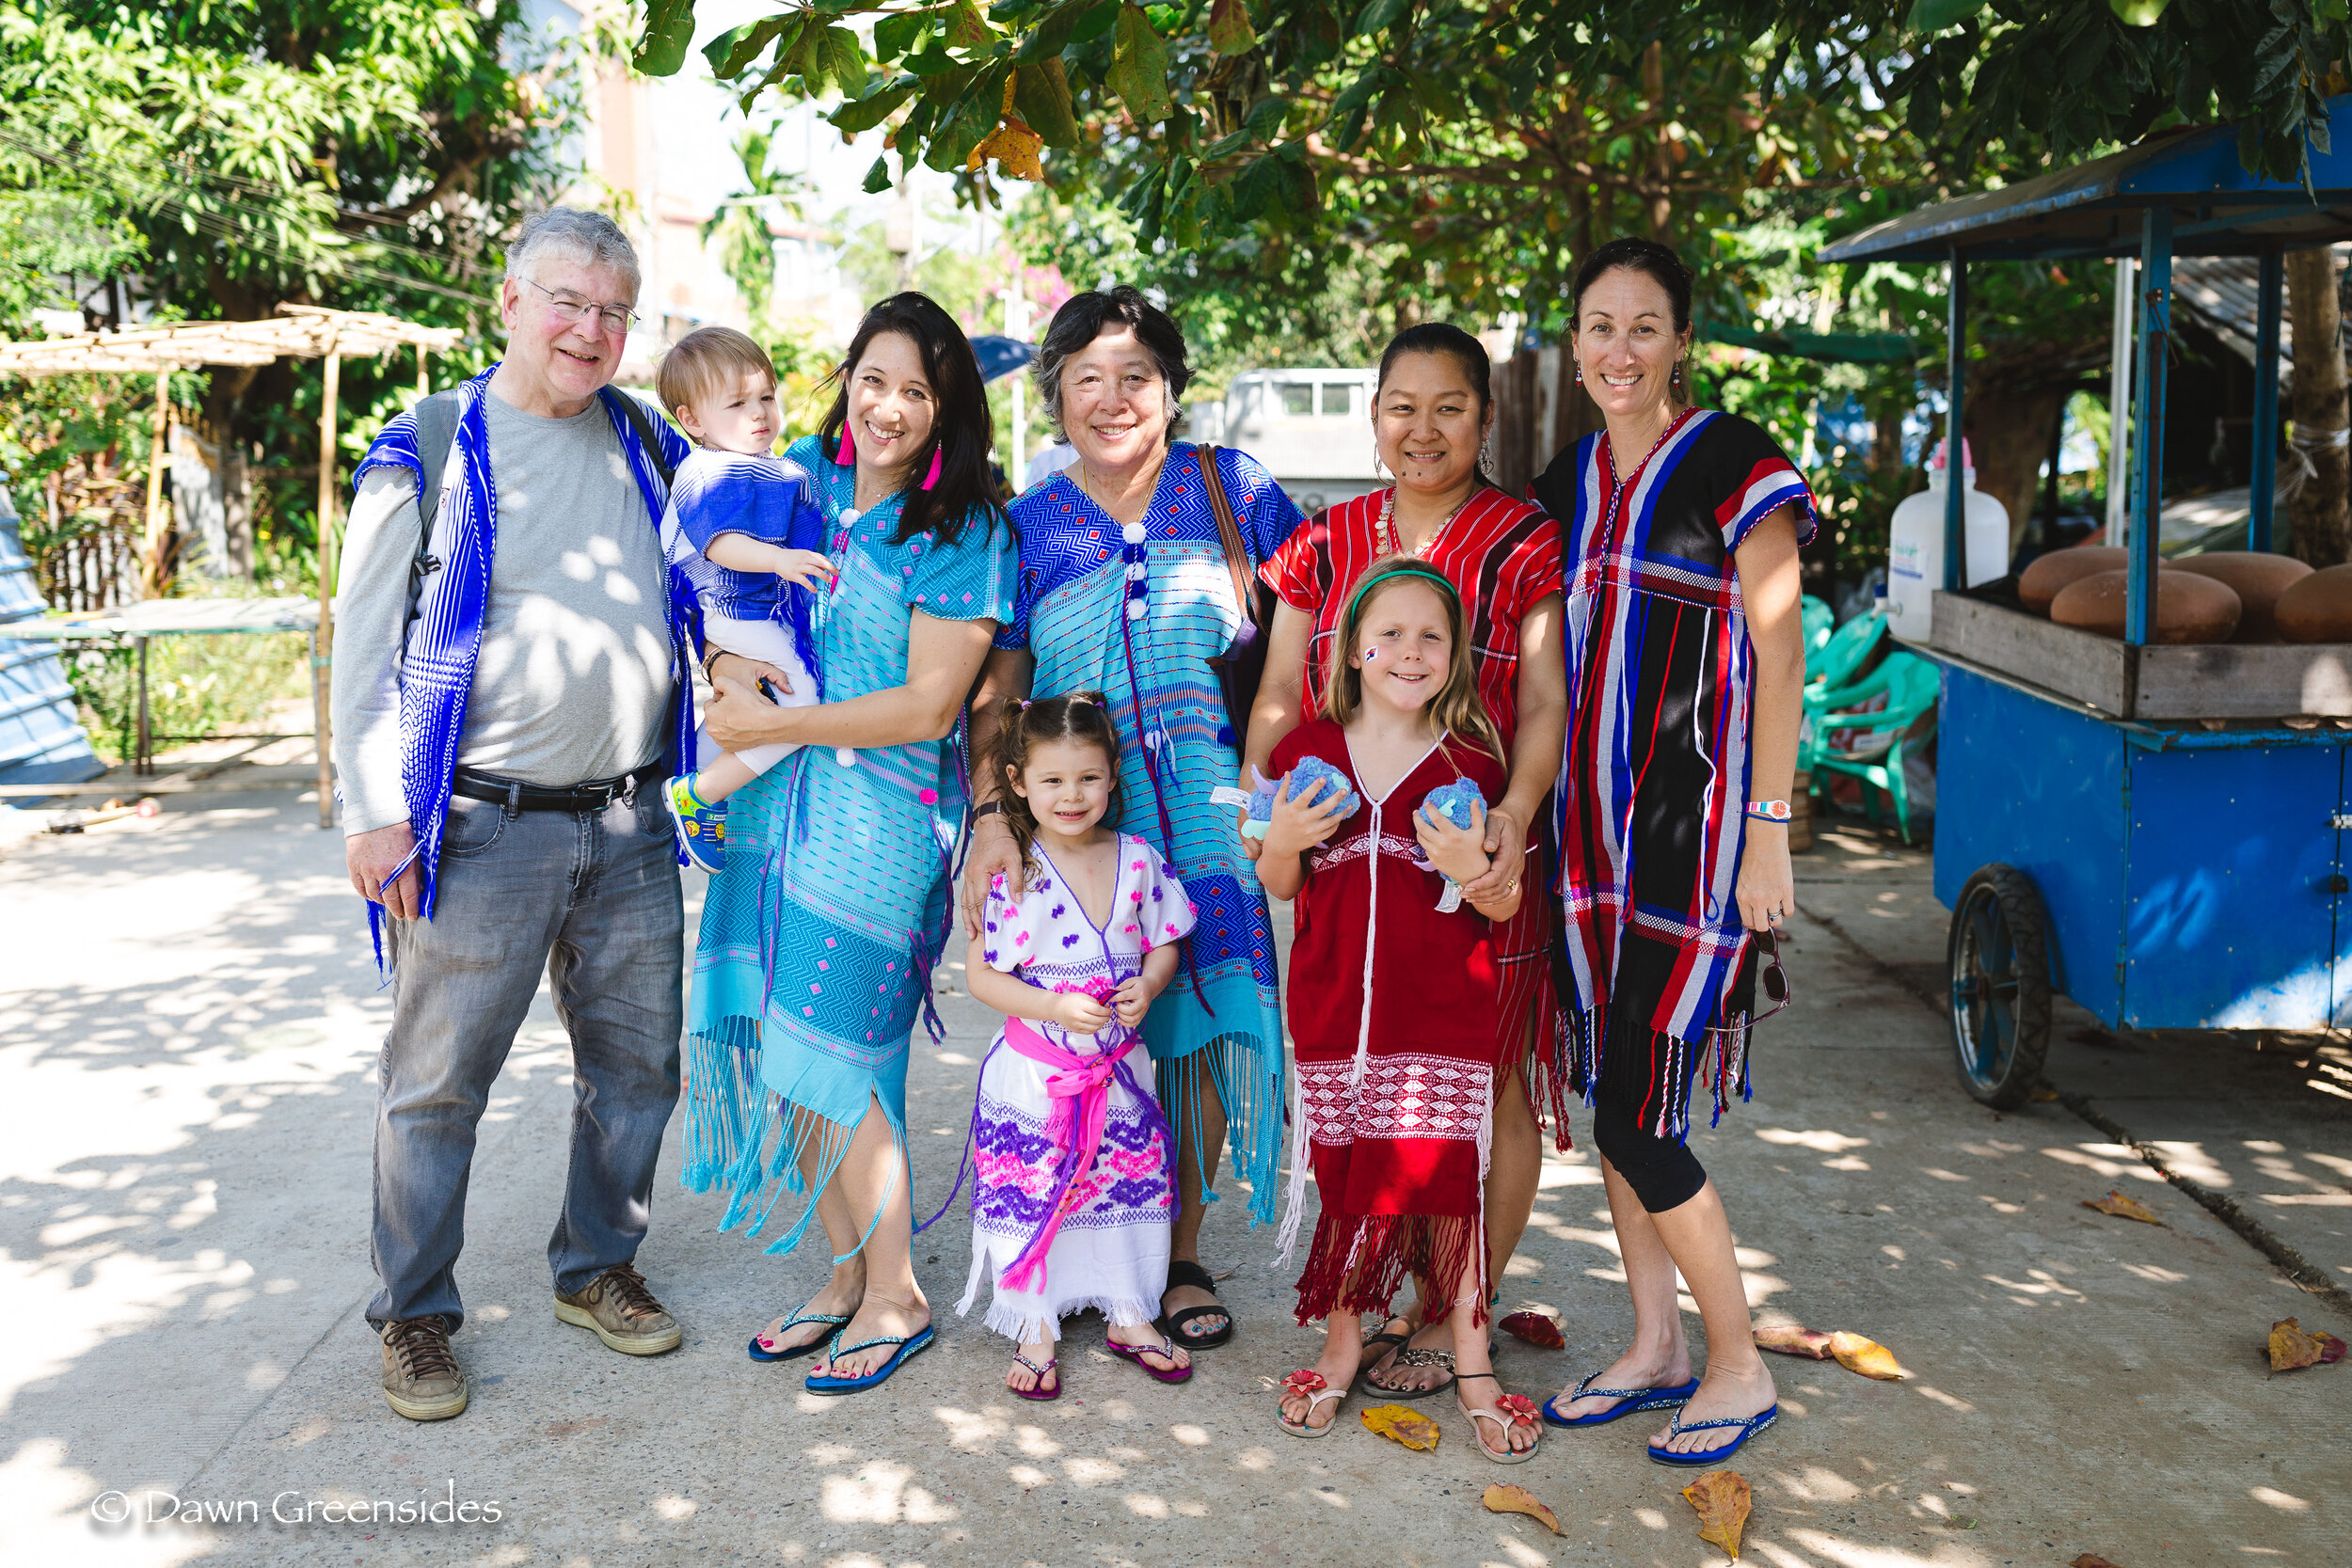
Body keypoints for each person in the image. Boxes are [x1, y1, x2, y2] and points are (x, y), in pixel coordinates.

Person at [335, 207, 697, 1422]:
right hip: (483, 828)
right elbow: (363, 646)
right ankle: (417, 1313)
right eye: (568, 302)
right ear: (509, 299)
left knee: (640, 1068)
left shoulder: (644, 441)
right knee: (436, 1083)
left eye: (613, 311)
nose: (590, 330)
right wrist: (375, 810)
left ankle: (597, 1261)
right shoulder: (431, 446)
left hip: (633, 818)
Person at [683, 292, 1014, 1395]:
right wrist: (730, 675)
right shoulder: (800, 485)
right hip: (769, 815)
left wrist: (770, 721)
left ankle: (896, 1292)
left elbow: (928, 706)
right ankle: (841, 1274)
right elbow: (720, 595)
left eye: (916, 390)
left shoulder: (964, 530)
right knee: (788, 1060)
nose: (888, 406)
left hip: (877, 826)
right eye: (873, 379)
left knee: (841, 1062)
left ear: (947, 406)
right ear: (847, 378)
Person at [963, 287, 1305, 1351]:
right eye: (1086, 379)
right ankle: (1073, 1246)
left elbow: (1311, 625)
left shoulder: (1233, 488)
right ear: (1057, 393)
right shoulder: (1027, 523)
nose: (1111, 399)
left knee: (1198, 1023)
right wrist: (991, 813)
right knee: (1085, 1030)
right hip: (1078, 819)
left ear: (1170, 387)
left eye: (1135, 376)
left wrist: (1275, 778)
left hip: (1210, 813)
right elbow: (997, 690)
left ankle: (1180, 1251)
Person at [1247, 324, 1566, 1396]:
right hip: (1346, 843)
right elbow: (1281, 692)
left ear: (1487, 416)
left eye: (1449, 407)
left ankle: (1447, 1310)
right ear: (1373, 412)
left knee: (1486, 1080)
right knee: (1361, 1072)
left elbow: (1539, 701)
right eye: (1401, 405)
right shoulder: (1323, 539)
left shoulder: (1523, 538)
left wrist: (1509, 821)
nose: (1422, 429)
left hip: (1474, 851)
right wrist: (1271, 814)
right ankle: (1365, 1297)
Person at [1532, 237, 1810, 1466]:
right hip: (1585, 848)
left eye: (1645, 326)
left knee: (1646, 1114)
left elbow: (1783, 649)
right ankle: (1654, 1345)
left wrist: (1768, 825)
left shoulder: (1735, 460)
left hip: (1695, 844)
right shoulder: (1566, 478)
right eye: (1600, 325)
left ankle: (1737, 1361)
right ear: (1575, 339)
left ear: (1681, 340)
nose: (1621, 350)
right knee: (1612, 1101)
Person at [1263, 562, 1542, 1464]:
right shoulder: (1304, 754)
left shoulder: (1475, 765)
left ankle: (1469, 1354)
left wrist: (1470, 860)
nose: (1408, 653)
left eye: (1432, 636)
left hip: (1439, 1015)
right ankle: (1344, 1340)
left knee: (1445, 1184)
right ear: (1350, 649)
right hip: (1335, 1006)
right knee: (1348, 1175)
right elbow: (1278, 881)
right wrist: (1285, 841)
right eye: (1388, 634)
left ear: (1457, 655)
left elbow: (1500, 905)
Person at [957, 692, 1198, 1399]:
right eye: (1053, 780)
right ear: (1018, 782)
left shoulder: (1137, 859)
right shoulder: (1014, 870)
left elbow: (1166, 942)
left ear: (1113, 775)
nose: (1072, 795)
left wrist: (1149, 985)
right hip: (1038, 1074)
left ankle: (1129, 1309)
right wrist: (1052, 1003)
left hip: (1118, 1071)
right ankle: (1036, 1323)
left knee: (1119, 1190)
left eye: (1088, 777)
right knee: (1039, 1196)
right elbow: (982, 976)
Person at [649, 325, 836, 871]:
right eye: (737, 403)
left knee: (775, 699)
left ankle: (706, 766)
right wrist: (781, 561)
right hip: (738, 613)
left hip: (767, 614)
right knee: (801, 706)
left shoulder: (778, 467)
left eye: (766, 398)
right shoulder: (708, 471)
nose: (760, 413)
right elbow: (721, 542)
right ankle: (700, 794)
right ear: (692, 421)